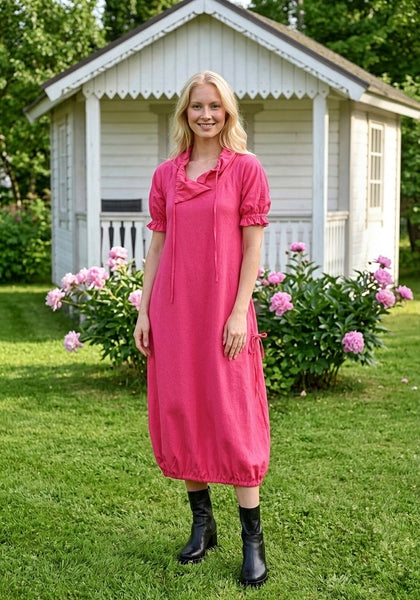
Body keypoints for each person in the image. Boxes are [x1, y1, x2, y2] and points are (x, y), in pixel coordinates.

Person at [133, 71, 271, 587]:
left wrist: (239, 311)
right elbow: (157, 247)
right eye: (197, 106)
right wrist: (144, 311)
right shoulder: (165, 175)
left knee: (235, 419)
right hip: (174, 314)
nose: (206, 114)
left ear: (227, 111)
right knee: (184, 409)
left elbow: (252, 248)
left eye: (215, 106)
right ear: (185, 113)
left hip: (223, 313)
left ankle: (252, 541)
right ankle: (202, 526)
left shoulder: (246, 170)